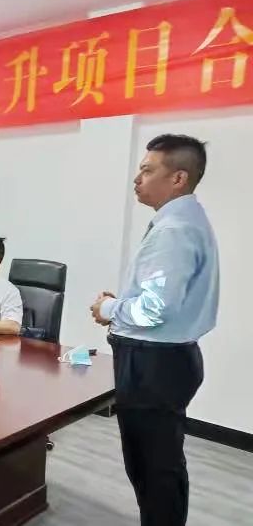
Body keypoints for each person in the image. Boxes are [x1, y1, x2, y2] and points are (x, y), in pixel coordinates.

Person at [89, 134, 218, 526]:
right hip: (165, 361)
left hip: (153, 367)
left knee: (153, 470)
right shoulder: (185, 221)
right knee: (159, 466)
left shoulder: (173, 230)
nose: (137, 178)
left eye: (147, 170)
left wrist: (109, 309)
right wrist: (124, 304)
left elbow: (155, 309)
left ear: (178, 178)